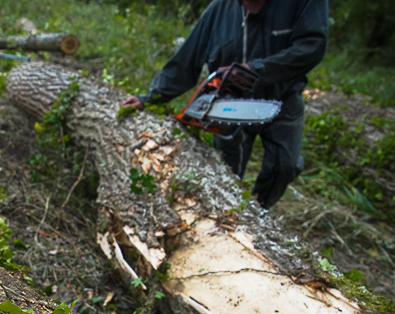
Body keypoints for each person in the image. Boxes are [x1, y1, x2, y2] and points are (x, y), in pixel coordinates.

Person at [122, 0, 328, 209]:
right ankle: (230, 213)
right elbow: (186, 61)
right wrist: (149, 98)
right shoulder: (220, 10)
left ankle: (260, 211)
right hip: (230, 104)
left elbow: (312, 47)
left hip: (283, 95)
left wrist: (258, 69)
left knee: (286, 164)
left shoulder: (301, 4)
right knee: (227, 172)